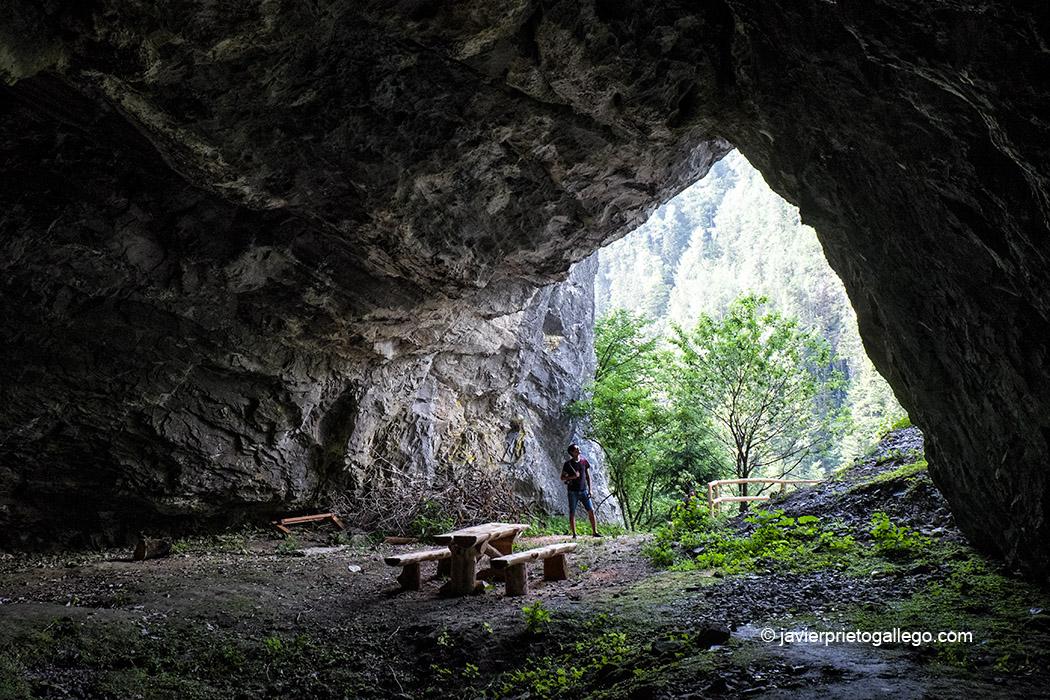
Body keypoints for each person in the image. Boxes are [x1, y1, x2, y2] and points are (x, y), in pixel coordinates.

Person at [560, 443, 600, 538]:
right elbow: (562, 477)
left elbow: (588, 476)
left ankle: (595, 532)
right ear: (572, 453)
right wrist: (572, 477)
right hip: (572, 491)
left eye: (578, 448)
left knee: (591, 510)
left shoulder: (584, 462)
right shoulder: (568, 464)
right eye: (576, 449)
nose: (578, 450)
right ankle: (574, 534)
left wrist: (590, 489)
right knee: (572, 512)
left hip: (584, 490)